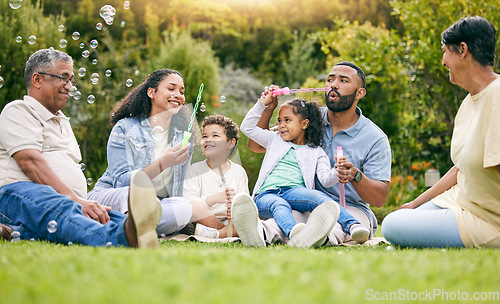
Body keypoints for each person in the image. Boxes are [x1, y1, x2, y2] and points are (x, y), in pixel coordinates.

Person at [0, 49, 161, 248]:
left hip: (59, 203)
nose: (70, 87)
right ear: (37, 79)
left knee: (107, 216)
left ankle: (10, 232)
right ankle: (120, 237)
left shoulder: (62, 121)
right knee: (63, 206)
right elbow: (30, 162)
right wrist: (74, 199)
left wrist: (82, 203)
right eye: (63, 78)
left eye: (71, 80)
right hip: (17, 194)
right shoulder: (19, 110)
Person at [382, 16, 500, 248]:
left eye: (445, 51)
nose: (443, 61)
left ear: (463, 50)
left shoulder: (497, 96)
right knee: (403, 216)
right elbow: (460, 169)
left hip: (486, 220)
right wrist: (415, 203)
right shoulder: (468, 102)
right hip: (459, 201)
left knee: (392, 225)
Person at [248, 62, 391, 245]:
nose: (333, 84)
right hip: (304, 200)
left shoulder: (375, 138)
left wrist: (355, 176)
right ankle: (260, 232)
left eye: (343, 80)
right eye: (330, 79)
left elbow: (380, 199)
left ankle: (318, 238)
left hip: (351, 209)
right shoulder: (307, 121)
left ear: (360, 93)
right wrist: (268, 109)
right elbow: (256, 145)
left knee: (335, 226)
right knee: (283, 220)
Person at [87, 69, 225, 237]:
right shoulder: (126, 127)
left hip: (155, 205)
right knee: (135, 194)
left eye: (182, 91)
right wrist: (163, 163)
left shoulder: (182, 138)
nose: (178, 95)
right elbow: (121, 181)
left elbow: (179, 192)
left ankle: (130, 227)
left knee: (183, 206)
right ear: (151, 92)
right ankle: (136, 226)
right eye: (171, 88)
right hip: (116, 196)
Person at [234, 90, 370, 248]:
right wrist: (262, 104)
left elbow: (326, 180)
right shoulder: (274, 139)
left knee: (318, 198)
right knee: (279, 205)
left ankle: (353, 226)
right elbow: (247, 128)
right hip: (266, 195)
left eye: (287, 120)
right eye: (279, 121)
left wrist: (337, 171)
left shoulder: (316, 151)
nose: (281, 125)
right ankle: (294, 234)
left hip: (294, 192)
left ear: (304, 124)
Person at [183, 114, 249, 238]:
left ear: (230, 143)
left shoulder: (239, 171)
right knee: (193, 207)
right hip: (201, 221)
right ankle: (223, 233)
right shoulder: (194, 170)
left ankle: (216, 234)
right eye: (204, 136)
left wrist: (235, 211)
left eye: (215, 135)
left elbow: (243, 203)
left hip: (230, 222)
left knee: (251, 215)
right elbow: (190, 203)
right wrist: (216, 198)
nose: (208, 139)